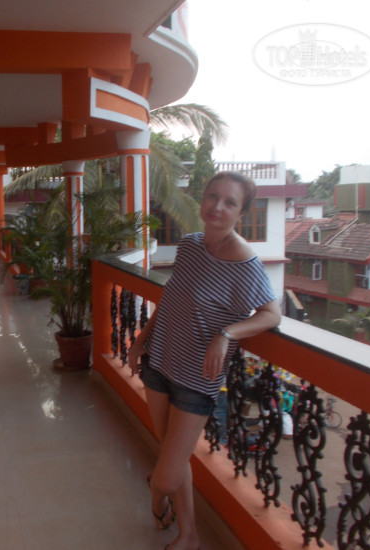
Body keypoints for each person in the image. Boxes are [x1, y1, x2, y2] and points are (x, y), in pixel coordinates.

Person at [128, 171, 281, 550]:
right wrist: (140, 341)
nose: (217, 207)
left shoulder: (245, 262)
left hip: (197, 378)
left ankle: (157, 498)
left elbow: (271, 315)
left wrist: (226, 334)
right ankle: (189, 535)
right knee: (174, 457)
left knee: (166, 475)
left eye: (230, 202)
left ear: (241, 213)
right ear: (202, 199)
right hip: (159, 360)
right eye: (212, 196)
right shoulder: (190, 245)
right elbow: (171, 300)